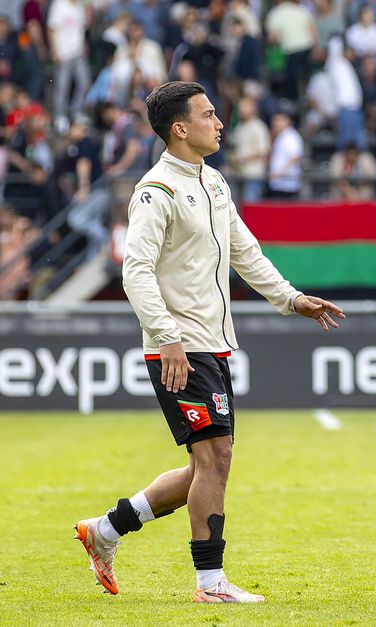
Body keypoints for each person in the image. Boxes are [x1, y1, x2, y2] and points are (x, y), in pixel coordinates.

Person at [73, 81, 345, 604]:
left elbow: (245, 251)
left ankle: (105, 530)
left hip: (212, 343)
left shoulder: (214, 181)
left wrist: (291, 299)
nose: (219, 124)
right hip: (180, 347)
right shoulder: (156, 191)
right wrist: (167, 337)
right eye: (209, 115)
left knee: (206, 465)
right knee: (216, 457)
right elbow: (135, 271)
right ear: (180, 128)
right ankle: (210, 583)